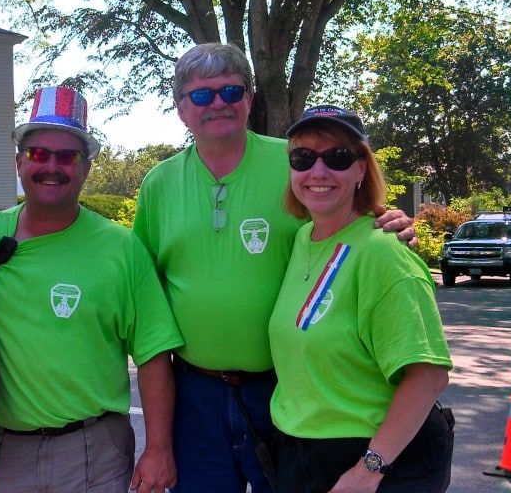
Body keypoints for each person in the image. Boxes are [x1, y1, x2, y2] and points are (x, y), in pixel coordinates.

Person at [132, 42, 416, 493]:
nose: (219, 103)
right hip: (194, 394)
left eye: (232, 91)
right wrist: (157, 442)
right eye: (202, 95)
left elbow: (344, 217)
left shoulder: (296, 162)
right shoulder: (158, 184)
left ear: (249, 98)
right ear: (181, 108)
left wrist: (389, 220)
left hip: (287, 388)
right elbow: (145, 298)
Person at [0, 86, 183, 493]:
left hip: (94, 450)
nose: (52, 166)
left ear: (86, 168)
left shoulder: (122, 249)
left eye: (67, 156)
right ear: (19, 162)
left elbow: (154, 353)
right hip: (3, 451)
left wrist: (159, 448)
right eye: (39, 154)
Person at [269, 105, 453, 492]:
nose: (318, 171)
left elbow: (429, 376)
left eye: (337, 157)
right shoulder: (303, 239)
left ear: (360, 169)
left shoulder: (383, 251)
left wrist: (369, 469)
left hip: (375, 461)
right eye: (303, 158)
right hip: (301, 453)